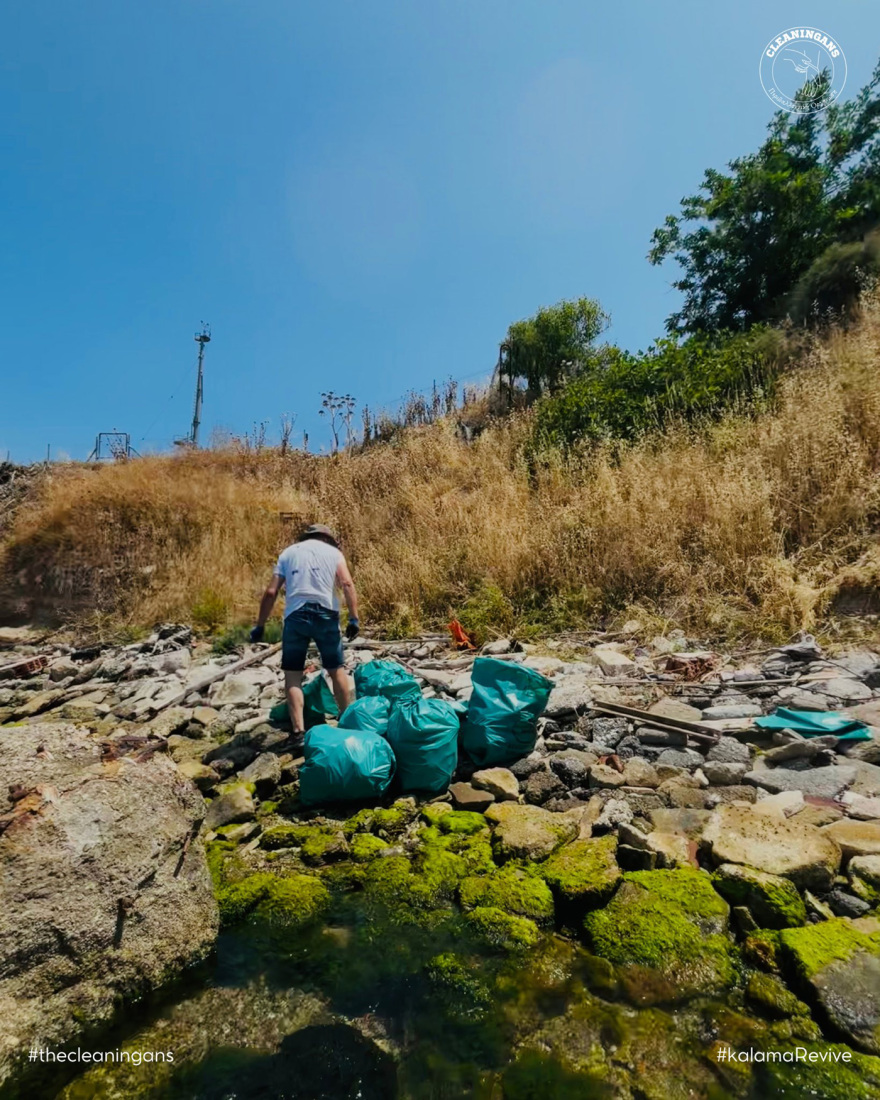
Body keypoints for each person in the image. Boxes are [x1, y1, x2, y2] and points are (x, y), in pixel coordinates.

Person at [250, 523, 359, 732]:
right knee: (336, 670)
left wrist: (260, 625)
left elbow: (271, 592)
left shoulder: (288, 553)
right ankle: (346, 723)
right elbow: (347, 583)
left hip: (295, 617)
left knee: (292, 675)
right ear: (326, 538)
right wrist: (354, 619)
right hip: (325, 615)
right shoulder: (334, 553)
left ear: (306, 537)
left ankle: (298, 732)